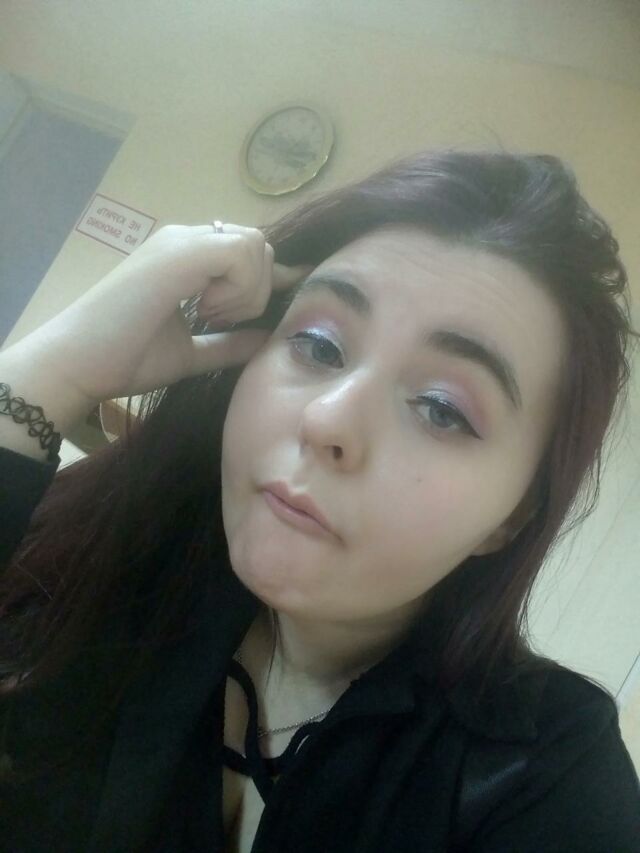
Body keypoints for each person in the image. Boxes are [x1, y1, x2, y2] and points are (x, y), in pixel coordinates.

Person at [0, 149, 639, 852]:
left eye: (441, 409)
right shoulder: (106, 557)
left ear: (513, 514)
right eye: (319, 345)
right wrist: (50, 372)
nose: (327, 419)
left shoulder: (544, 775)